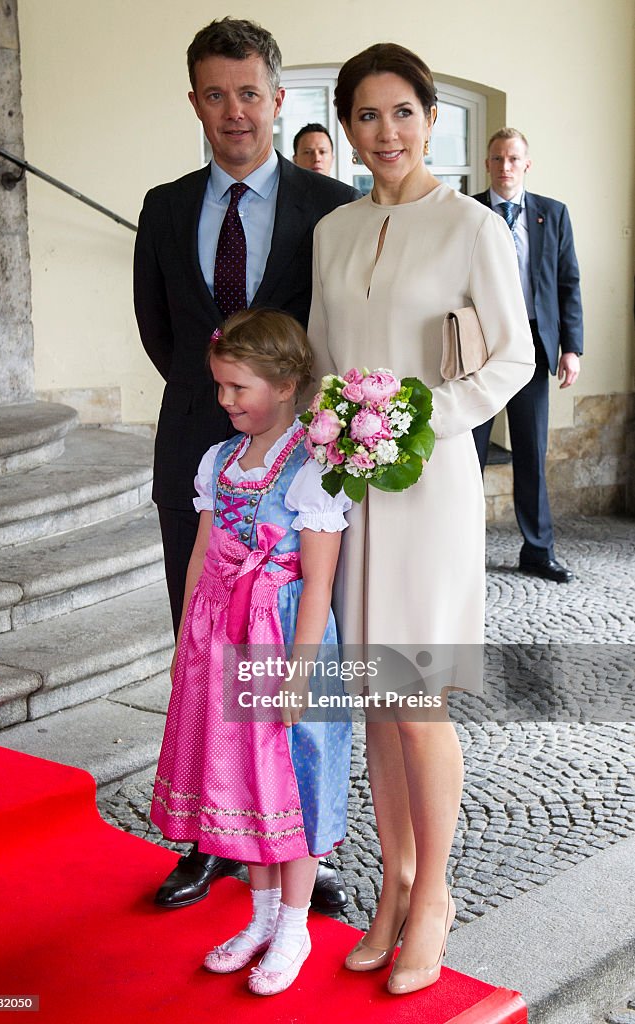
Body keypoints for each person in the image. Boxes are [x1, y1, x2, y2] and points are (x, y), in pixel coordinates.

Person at [307, 44, 535, 995]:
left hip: (429, 485)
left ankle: (434, 892)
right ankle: (392, 885)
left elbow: (513, 356)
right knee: (373, 704)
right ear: (347, 126)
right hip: (352, 495)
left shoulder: (471, 224)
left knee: (417, 703)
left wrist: (415, 416)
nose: (384, 133)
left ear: (431, 119)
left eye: (401, 113)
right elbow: (322, 351)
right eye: (365, 116)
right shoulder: (335, 229)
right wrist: (328, 429)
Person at [133, 16, 358, 912]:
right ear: (195, 101)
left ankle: (308, 841)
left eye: (250, 93)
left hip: (299, 468)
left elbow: (337, 334)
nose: (235, 112)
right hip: (197, 451)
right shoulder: (163, 204)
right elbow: (164, 336)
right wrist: (227, 426)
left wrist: (283, 432)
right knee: (204, 655)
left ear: (278, 98)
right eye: (215, 94)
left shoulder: (331, 206)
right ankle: (208, 837)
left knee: (300, 658)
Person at [150, 309, 353, 995]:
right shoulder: (219, 460)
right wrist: (186, 644)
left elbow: (318, 579)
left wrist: (299, 675)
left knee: (291, 778)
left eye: (239, 388)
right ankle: (260, 916)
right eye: (220, 387)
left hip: (283, 638)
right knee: (243, 780)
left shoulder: (313, 468)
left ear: (288, 384)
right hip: (223, 635)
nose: (226, 401)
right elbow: (204, 552)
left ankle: (294, 925)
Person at [472, 128, 584, 583]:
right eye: (497, 158)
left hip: (535, 348)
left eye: (513, 159)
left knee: (531, 452)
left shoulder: (552, 214)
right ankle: (459, 548)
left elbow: (567, 283)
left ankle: (538, 551)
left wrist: (572, 347)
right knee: (468, 453)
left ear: (526, 164)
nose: (505, 167)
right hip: (478, 350)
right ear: (487, 164)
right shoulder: (468, 211)